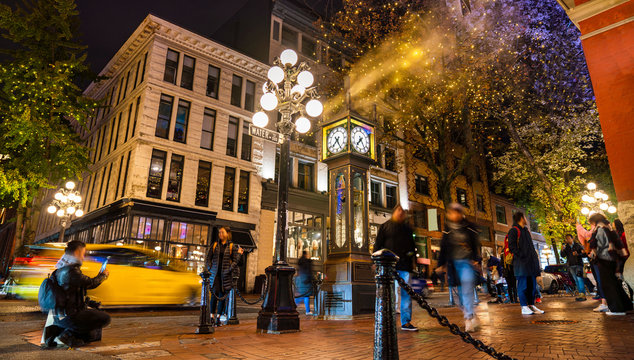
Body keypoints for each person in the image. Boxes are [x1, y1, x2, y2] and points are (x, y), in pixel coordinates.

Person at [45, 240, 110, 348]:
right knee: (104, 318)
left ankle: (55, 331)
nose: (83, 257)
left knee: (90, 334)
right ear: (76, 253)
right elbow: (90, 283)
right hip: (70, 315)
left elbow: (71, 295)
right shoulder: (71, 271)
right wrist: (103, 275)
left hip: (58, 316)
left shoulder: (59, 269)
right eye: (83, 254)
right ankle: (67, 334)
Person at [436, 203, 481, 332]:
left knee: (466, 289)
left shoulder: (469, 228)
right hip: (453, 265)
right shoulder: (447, 230)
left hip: (467, 263)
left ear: (460, 213)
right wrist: (441, 265)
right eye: (451, 212)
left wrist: (476, 260)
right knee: (457, 296)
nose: (453, 214)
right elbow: (443, 248)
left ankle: (468, 319)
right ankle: (470, 314)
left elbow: (475, 244)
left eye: (456, 212)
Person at [375, 204, 417, 331]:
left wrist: (413, 260)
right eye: (399, 210)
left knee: (406, 294)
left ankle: (406, 322)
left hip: (405, 265)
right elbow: (378, 244)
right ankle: (387, 322)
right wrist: (376, 263)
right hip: (389, 266)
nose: (401, 213)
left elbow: (412, 246)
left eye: (402, 211)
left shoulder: (407, 229)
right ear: (394, 212)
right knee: (389, 294)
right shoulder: (385, 226)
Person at [588, 213, 633, 315]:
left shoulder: (600, 229)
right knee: (615, 284)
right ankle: (625, 306)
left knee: (608, 284)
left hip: (605, 259)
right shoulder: (608, 227)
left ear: (594, 221)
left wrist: (593, 254)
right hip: (613, 259)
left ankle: (617, 309)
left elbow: (602, 245)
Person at [507, 212, 544, 315]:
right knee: (523, 286)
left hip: (530, 264)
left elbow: (531, 248)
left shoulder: (526, 231)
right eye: (525, 217)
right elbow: (512, 247)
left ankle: (531, 305)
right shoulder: (514, 231)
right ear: (521, 218)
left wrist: (534, 260)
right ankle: (524, 306)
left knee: (531, 286)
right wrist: (523, 255)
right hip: (521, 264)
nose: (526, 219)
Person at [206, 226, 243, 326]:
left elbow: (236, 261)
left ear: (227, 234)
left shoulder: (232, 246)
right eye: (219, 233)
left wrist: (229, 269)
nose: (220, 234)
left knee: (222, 295)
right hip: (215, 275)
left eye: (222, 232)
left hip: (225, 275)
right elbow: (208, 258)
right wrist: (210, 269)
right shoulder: (214, 245)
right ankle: (211, 317)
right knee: (214, 295)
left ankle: (218, 317)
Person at [560, 234, 587, 301]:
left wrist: (578, 254)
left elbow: (584, 254)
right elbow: (563, 256)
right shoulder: (566, 247)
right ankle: (580, 294)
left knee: (579, 279)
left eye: (569, 238)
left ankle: (583, 294)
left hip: (578, 264)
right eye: (567, 239)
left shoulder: (578, 245)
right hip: (571, 265)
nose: (568, 240)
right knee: (576, 280)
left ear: (572, 238)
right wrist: (562, 250)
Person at [295, 251, 313, 315]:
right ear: (305, 254)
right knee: (305, 296)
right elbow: (309, 271)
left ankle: (292, 307)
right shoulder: (307, 262)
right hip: (306, 280)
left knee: (302, 295)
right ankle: (307, 311)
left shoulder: (300, 262)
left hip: (300, 279)